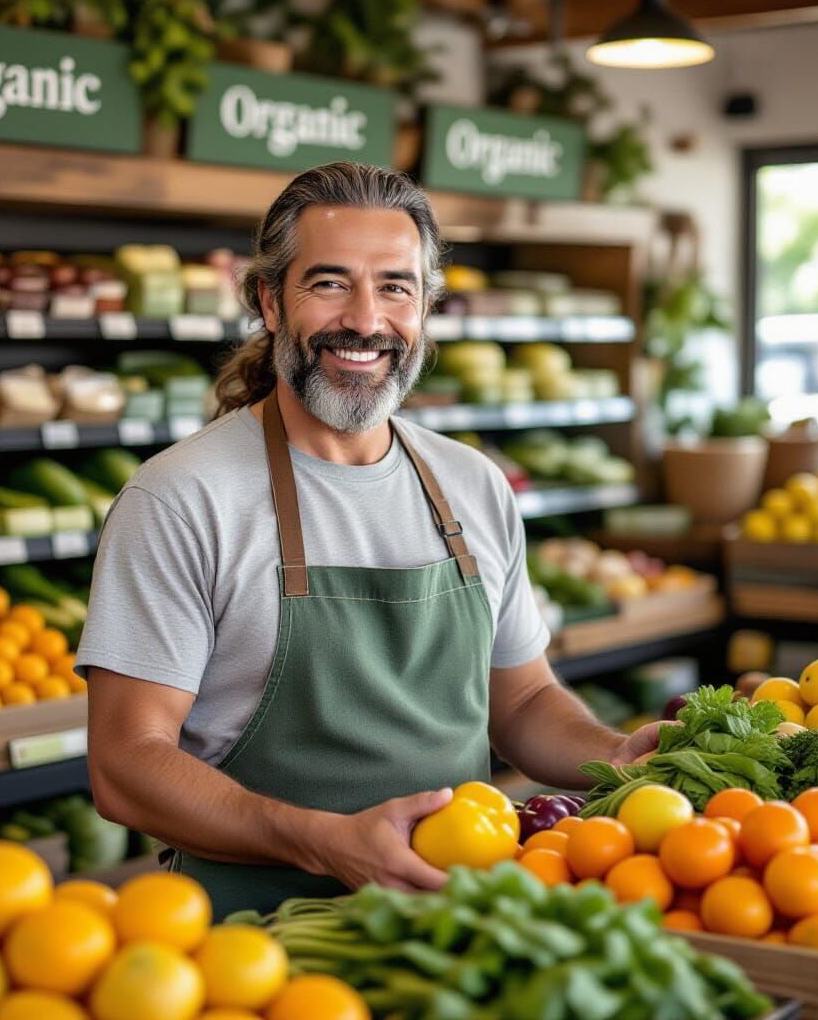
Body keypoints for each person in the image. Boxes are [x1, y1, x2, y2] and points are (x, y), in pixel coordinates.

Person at [77, 161, 662, 919]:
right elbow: (126, 766)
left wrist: (614, 756)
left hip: (451, 925)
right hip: (261, 945)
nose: (365, 318)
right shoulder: (183, 498)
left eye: (396, 287)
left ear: (425, 308)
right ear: (269, 301)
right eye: (328, 283)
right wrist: (321, 839)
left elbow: (519, 703)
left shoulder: (472, 485)